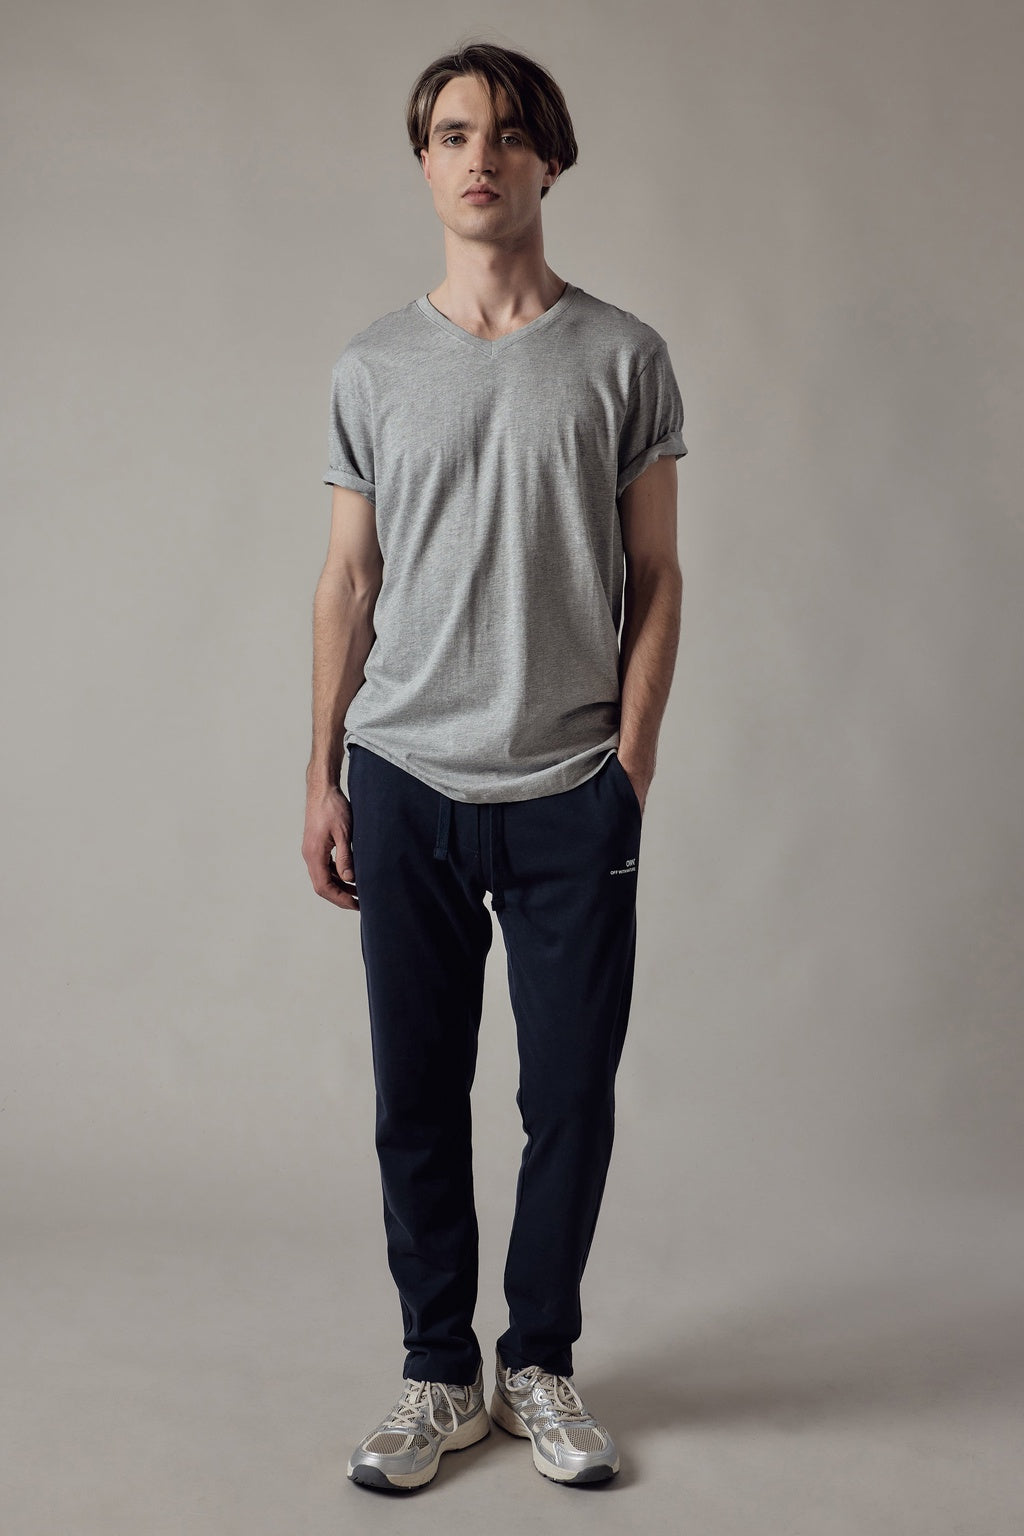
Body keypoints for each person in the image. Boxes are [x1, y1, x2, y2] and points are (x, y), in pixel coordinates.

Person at [302, 39, 687, 1493]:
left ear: (550, 161)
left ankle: (539, 1363)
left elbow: (658, 577)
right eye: (456, 133)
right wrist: (322, 774)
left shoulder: (621, 355)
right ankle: (436, 1375)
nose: (483, 157)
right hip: (404, 776)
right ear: (425, 163)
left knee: (570, 1097)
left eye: (511, 133)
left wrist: (628, 765)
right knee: (416, 1094)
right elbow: (348, 582)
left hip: (570, 787)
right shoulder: (372, 365)